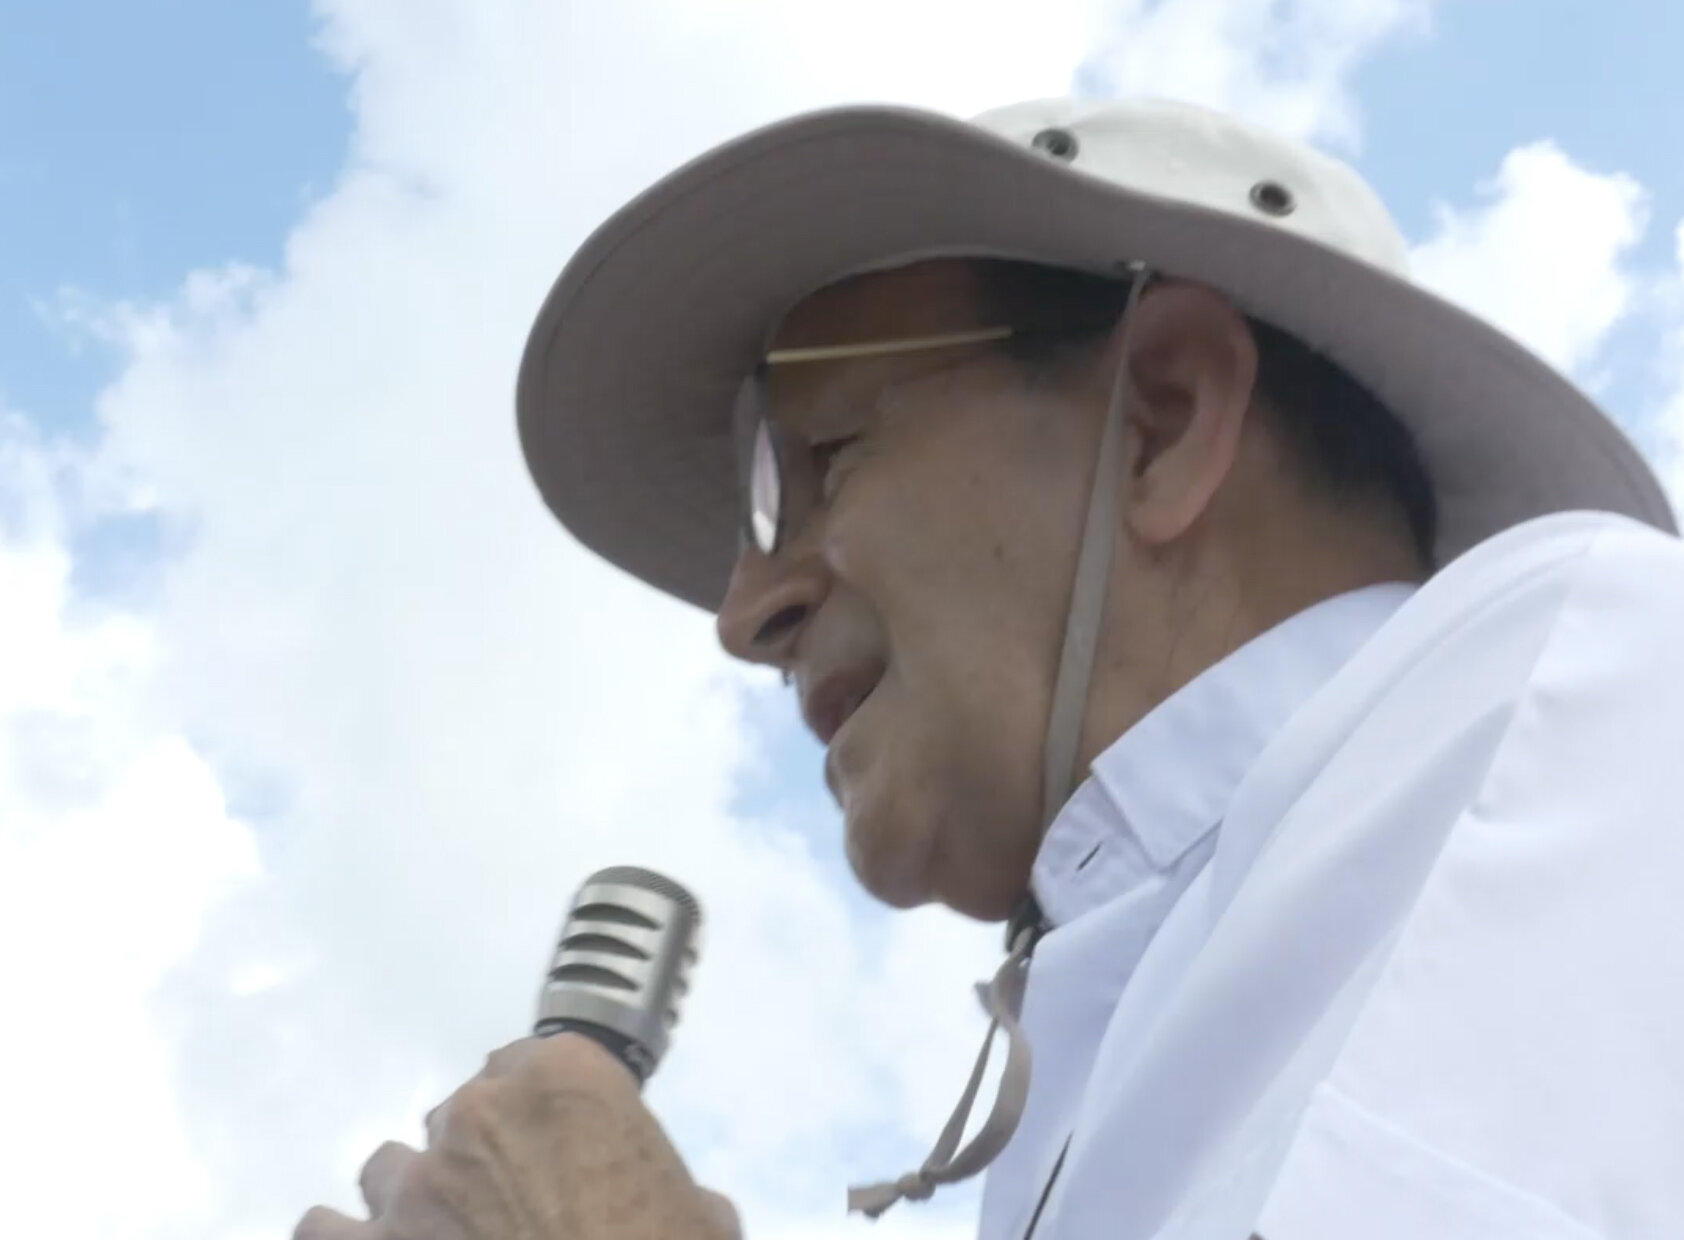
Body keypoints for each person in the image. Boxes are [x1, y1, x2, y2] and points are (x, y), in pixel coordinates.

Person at [296, 97, 1684, 1240]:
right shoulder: (1107, 1035)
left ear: (1164, 418)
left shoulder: (1574, 663)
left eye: (817, 465)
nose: (747, 613)